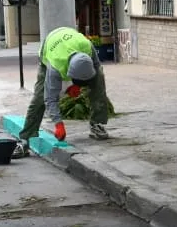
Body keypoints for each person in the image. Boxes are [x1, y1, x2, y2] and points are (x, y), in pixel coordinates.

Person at [13, 27, 110, 158]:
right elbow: (50, 99)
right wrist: (58, 123)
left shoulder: (87, 46)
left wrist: (77, 85)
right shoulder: (55, 65)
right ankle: (25, 140)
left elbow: (97, 68)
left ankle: (97, 123)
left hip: (70, 38)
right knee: (40, 97)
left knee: (99, 81)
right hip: (49, 48)